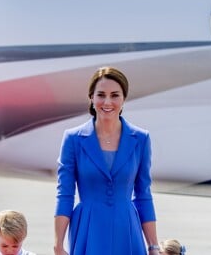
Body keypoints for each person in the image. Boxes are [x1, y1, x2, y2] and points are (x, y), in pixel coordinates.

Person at [54, 66, 160, 255]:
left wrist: (153, 245)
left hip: (127, 229)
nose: (107, 102)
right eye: (101, 95)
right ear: (91, 98)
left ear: (124, 99)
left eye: (115, 95)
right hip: (88, 228)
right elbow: (65, 194)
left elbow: (143, 194)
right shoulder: (72, 139)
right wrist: (58, 243)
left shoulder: (141, 139)